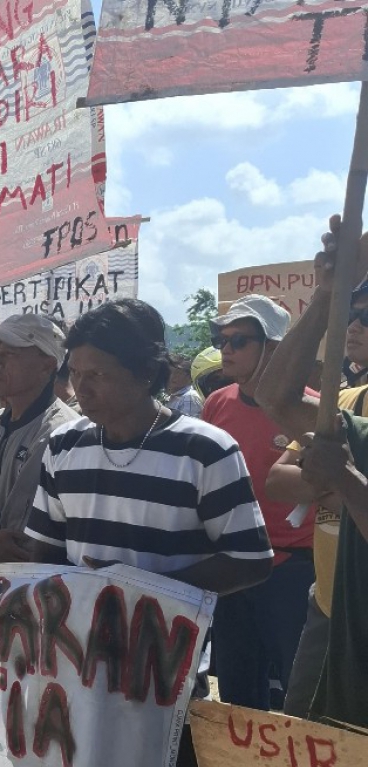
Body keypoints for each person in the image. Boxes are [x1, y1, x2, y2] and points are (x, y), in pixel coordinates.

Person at [24, 298, 272, 767]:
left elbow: (251, 558)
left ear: (145, 372)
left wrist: (149, 594)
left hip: (168, 675)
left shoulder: (206, 451)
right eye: (74, 374)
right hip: (79, 671)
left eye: (98, 374)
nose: (81, 390)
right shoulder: (63, 449)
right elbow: (42, 552)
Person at [257, 214, 368, 727]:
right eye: (353, 312)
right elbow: (274, 396)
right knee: (306, 766)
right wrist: (326, 292)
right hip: (330, 609)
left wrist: (341, 481)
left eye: (366, 316)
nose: (354, 327)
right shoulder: (350, 404)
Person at [202, 295, 315, 711]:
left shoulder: (309, 408)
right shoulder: (217, 404)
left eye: (239, 340)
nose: (226, 349)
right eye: (221, 339)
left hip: (291, 572)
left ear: (274, 347)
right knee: (238, 694)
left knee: (299, 694)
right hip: (233, 570)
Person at [0, 315, 79, 566]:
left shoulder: (66, 434)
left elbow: (30, 526)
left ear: (47, 365)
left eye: (9, 354)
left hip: (33, 588)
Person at [165, 352, 204, 417]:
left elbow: (189, 424)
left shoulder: (189, 397)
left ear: (189, 375)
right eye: (170, 372)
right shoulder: (175, 397)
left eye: (177, 373)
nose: (172, 376)